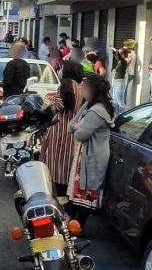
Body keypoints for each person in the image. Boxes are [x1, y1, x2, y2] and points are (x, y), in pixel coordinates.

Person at [67, 75, 114, 229]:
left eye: (85, 87)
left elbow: (80, 134)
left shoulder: (97, 111)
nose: (82, 89)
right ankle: (73, 225)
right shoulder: (89, 105)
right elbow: (70, 126)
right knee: (80, 195)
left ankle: (77, 227)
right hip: (85, 156)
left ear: (93, 89)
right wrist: (76, 126)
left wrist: (77, 127)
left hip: (92, 158)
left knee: (86, 195)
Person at [41, 61, 84, 206]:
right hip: (73, 129)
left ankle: (58, 197)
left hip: (60, 127)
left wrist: (50, 100)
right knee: (67, 162)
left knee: (55, 161)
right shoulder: (81, 87)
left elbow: (57, 106)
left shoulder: (65, 84)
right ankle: (66, 195)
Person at [111, 46, 129, 115]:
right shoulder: (120, 61)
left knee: (120, 101)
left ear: (123, 54)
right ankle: (116, 116)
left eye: (120, 52)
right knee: (115, 101)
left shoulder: (124, 61)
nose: (119, 53)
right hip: (116, 83)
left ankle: (125, 115)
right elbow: (116, 55)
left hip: (119, 83)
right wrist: (112, 51)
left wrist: (115, 50)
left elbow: (118, 55)